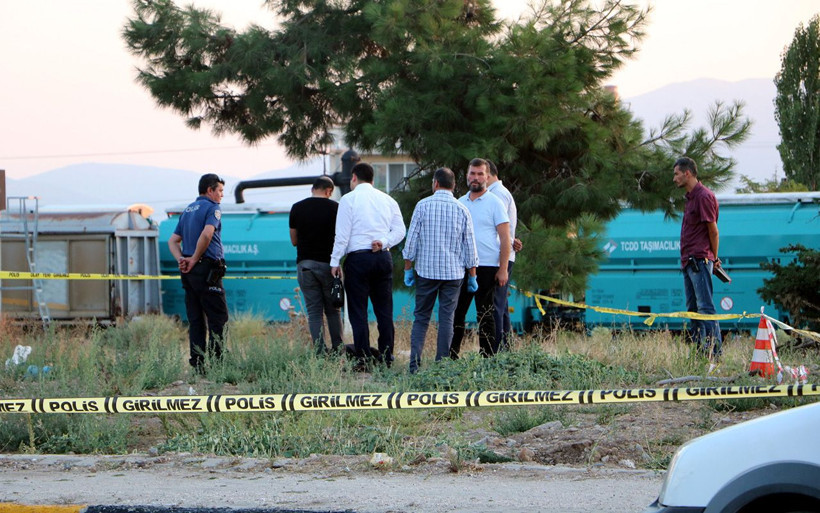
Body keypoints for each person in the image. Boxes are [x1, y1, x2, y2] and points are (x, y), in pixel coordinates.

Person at [403, 167, 479, 373]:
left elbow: (411, 242)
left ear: (435, 183)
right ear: (454, 186)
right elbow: (470, 247)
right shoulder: (462, 209)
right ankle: (442, 366)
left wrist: (408, 268)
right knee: (447, 319)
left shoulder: (422, 206)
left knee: (421, 318)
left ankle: (414, 365)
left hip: (426, 273)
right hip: (453, 275)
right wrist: (472, 275)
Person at [330, 162, 406, 368]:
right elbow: (400, 230)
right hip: (382, 257)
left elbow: (342, 235)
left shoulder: (348, 199)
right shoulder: (388, 200)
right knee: (384, 310)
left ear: (354, 178)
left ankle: (363, 358)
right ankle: (387, 356)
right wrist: (384, 241)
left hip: (358, 259)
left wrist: (335, 261)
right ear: (373, 180)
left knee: (358, 311)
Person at [168, 173, 229, 372]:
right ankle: (218, 364)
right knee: (218, 318)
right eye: (219, 190)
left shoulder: (187, 210)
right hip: (206, 268)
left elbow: (172, 241)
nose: (221, 195)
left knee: (195, 320)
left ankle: (198, 364)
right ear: (210, 190)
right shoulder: (213, 208)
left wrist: (182, 260)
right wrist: (194, 258)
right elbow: (207, 233)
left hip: (189, 273)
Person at [450, 158, 510, 359]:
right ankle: (451, 357)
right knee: (457, 313)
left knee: (486, 316)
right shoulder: (459, 203)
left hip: (487, 267)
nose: (475, 178)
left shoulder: (495, 202)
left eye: (480, 174)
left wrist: (502, 269)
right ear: (467, 176)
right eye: (472, 173)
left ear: (487, 176)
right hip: (462, 267)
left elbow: (505, 238)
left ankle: (489, 358)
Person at [673, 156, 723, 358]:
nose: (674, 178)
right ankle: (701, 355)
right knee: (693, 310)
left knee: (705, 308)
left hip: (700, 260)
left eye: (676, 174)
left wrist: (714, 258)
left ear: (687, 173)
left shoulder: (703, 196)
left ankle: (715, 355)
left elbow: (713, 231)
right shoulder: (690, 198)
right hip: (689, 261)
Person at [289, 176, 343, 355]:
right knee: (333, 311)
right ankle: (338, 350)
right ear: (329, 191)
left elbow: (294, 241)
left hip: (306, 266)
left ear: (313, 189)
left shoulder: (297, 208)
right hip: (329, 265)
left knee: (314, 312)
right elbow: (342, 238)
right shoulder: (336, 208)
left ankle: (320, 353)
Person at [486, 159, 523, 351]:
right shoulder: (498, 193)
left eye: (481, 173)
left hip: (499, 256)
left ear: (489, 173)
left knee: (495, 307)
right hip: (503, 254)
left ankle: (497, 349)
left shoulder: (497, 194)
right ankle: (506, 348)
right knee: (501, 305)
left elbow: (501, 229)